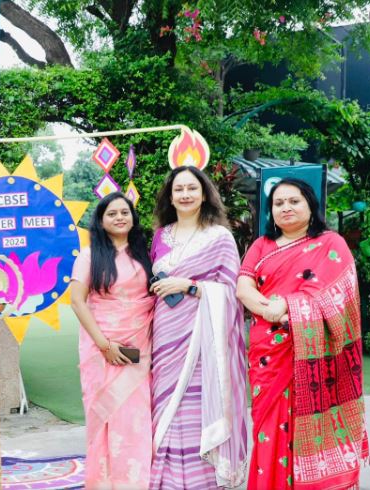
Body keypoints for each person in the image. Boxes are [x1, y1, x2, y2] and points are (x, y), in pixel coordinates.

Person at [236, 178, 368, 489]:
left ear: (310, 205)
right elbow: (243, 288)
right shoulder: (261, 246)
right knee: (268, 430)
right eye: (278, 203)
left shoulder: (331, 244)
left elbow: (340, 298)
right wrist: (273, 310)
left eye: (294, 201)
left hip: (314, 356)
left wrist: (288, 308)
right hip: (269, 355)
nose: (286, 208)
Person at [148, 165, 248, 488]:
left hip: (203, 339)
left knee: (195, 407)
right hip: (165, 337)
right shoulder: (160, 237)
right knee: (166, 405)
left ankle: (202, 480)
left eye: (192, 188)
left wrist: (189, 285)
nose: (186, 194)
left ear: (204, 194)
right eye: (179, 189)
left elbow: (233, 294)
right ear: (170, 196)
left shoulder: (220, 238)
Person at [70, 192, 155, 488]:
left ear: (133, 217)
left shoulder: (146, 253)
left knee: (135, 417)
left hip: (139, 348)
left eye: (125, 212)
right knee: (104, 419)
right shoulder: (90, 255)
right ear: (101, 221)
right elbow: (77, 301)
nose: (120, 217)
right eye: (112, 214)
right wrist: (105, 346)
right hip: (101, 348)